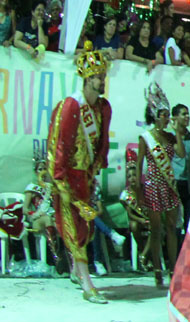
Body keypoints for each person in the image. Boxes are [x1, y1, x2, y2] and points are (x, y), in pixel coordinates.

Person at [45, 41, 112, 303]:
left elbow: (102, 143)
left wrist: (94, 170)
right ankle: (87, 285)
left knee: (87, 227)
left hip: (86, 176)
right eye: (97, 77)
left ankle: (76, 270)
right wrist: (60, 180)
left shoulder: (103, 108)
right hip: (68, 177)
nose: (101, 80)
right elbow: (60, 143)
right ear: (85, 79)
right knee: (75, 228)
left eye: (103, 76)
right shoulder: (72, 106)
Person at [136, 87, 182, 287]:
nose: (166, 118)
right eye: (163, 115)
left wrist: (178, 132)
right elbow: (138, 165)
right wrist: (138, 191)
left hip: (169, 186)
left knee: (172, 228)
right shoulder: (146, 137)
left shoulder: (171, 137)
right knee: (156, 230)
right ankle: (157, 270)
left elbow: (181, 154)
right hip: (153, 186)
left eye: (167, 115)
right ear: (155, 116)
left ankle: (173, 268)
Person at [170, 104, 190, 236]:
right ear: (175, 117)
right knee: (175, 224)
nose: (187, 116)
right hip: (175, 183)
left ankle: (188, 254)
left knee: (189, 222)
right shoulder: (170, 138)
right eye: (184, 114)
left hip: (189, 185)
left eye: (188, 113)